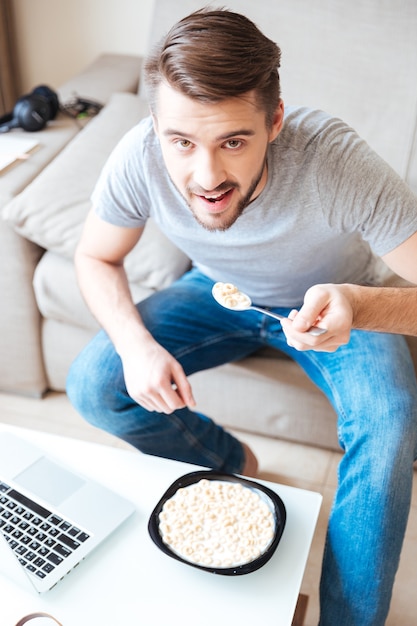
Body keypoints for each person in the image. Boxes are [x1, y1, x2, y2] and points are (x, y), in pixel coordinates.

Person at [66, 8, 417, 625]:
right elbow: (96, 256)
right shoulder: (138, 155)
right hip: (219, 291)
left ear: (274, 121)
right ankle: (228, 463)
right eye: (182, 142)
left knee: (389, 426)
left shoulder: (334, 160)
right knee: (95, 382)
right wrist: (135, 345)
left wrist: (359, 305)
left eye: (233, 141)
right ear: (156, 126)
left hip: (343, 297)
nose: (205, 178)